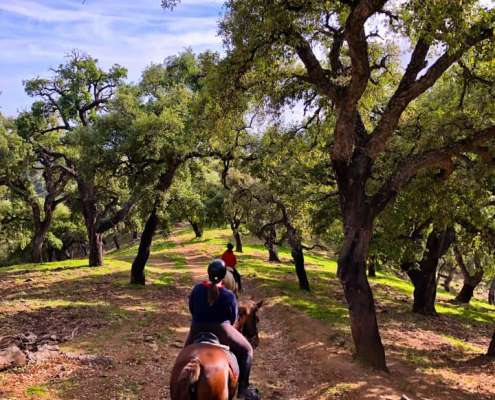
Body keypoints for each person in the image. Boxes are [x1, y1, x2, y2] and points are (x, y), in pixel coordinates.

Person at [185, 259, 256, 399]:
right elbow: (233, 318)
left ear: (208, 273)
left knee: (185, 351)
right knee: (248, 350)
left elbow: (192, 309)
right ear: (224, 276)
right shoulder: (229, 295)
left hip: (196, 329)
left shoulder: (197, 289)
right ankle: (243, 389)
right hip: (222, 331)